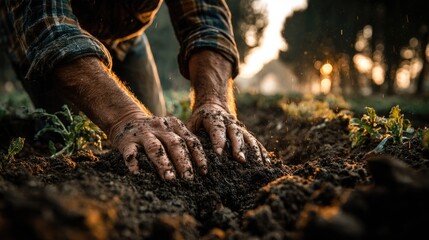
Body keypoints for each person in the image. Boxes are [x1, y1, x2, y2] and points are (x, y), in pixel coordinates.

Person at [0, 0, 270, 181]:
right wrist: (123, 117)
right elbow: (51, 31)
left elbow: (207, 20)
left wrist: (214, 102)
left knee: (157, 134)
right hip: (42, 37)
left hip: (125, 39)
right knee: (66, 133)